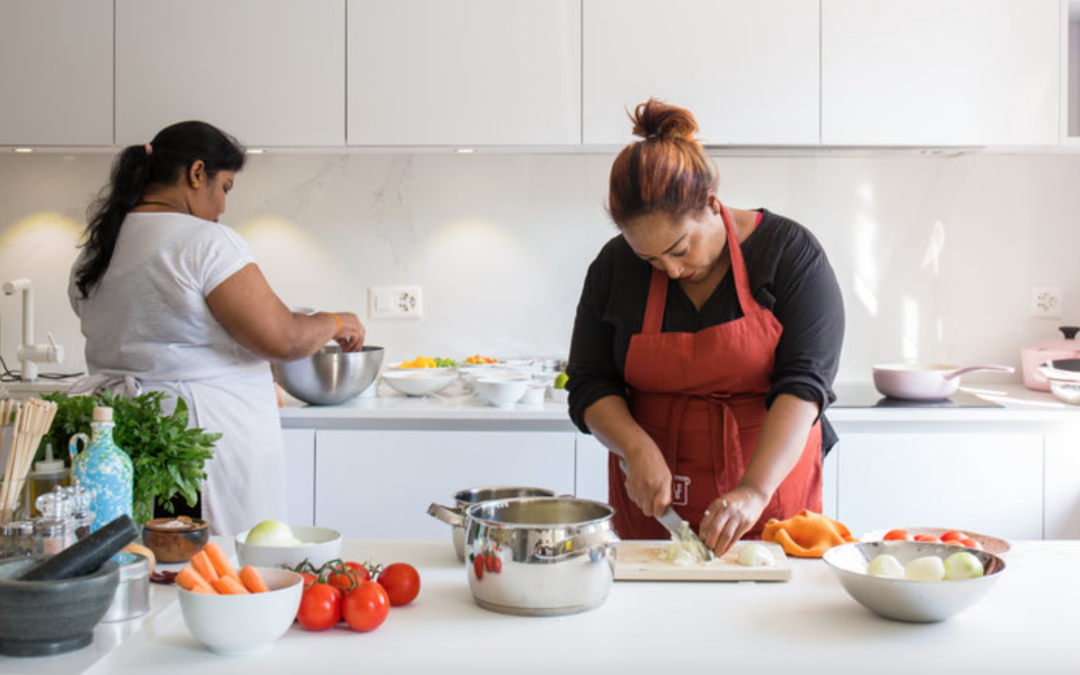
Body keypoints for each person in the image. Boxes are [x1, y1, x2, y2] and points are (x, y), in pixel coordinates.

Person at [567, 99, 844, 556]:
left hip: (768, 489)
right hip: (654, 499)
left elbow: (805, 384)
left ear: (712, 205)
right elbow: (589, 383)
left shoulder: (789, 254)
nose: (670, 271)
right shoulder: (613, 267)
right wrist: (634, 447)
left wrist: (754, 489)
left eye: (679, 248)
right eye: (649, 259)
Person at [67, 120, 366, 535]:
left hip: (126, 445)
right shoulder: (203, 241)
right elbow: (284, 338)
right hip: (199, 448)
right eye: (224, 187)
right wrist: (336, 321)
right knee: (218, 570)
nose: (223, 206)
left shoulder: (96, 251)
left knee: (147, 568)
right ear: (196, 173)